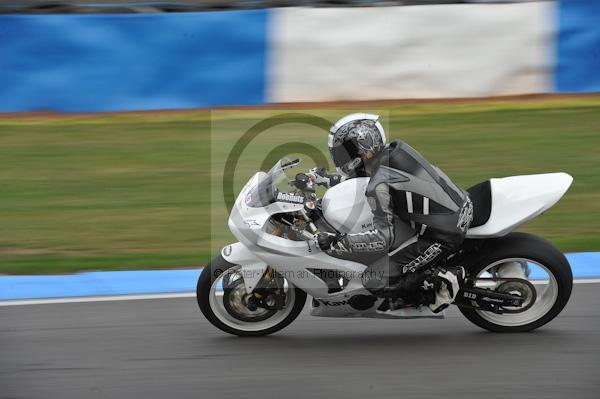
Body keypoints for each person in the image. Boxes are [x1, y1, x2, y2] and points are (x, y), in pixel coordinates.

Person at [308, 113, 473, 313]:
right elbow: (361, 178)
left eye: (345, 152)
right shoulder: (393, 152)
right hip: (458, 208)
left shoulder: (378, 185)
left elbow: (383, 238)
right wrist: (326, 179)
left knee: (374, 279)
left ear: (365, 147)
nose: (341, 158)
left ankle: (444, 281)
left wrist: (337, 241)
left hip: (443, 233)